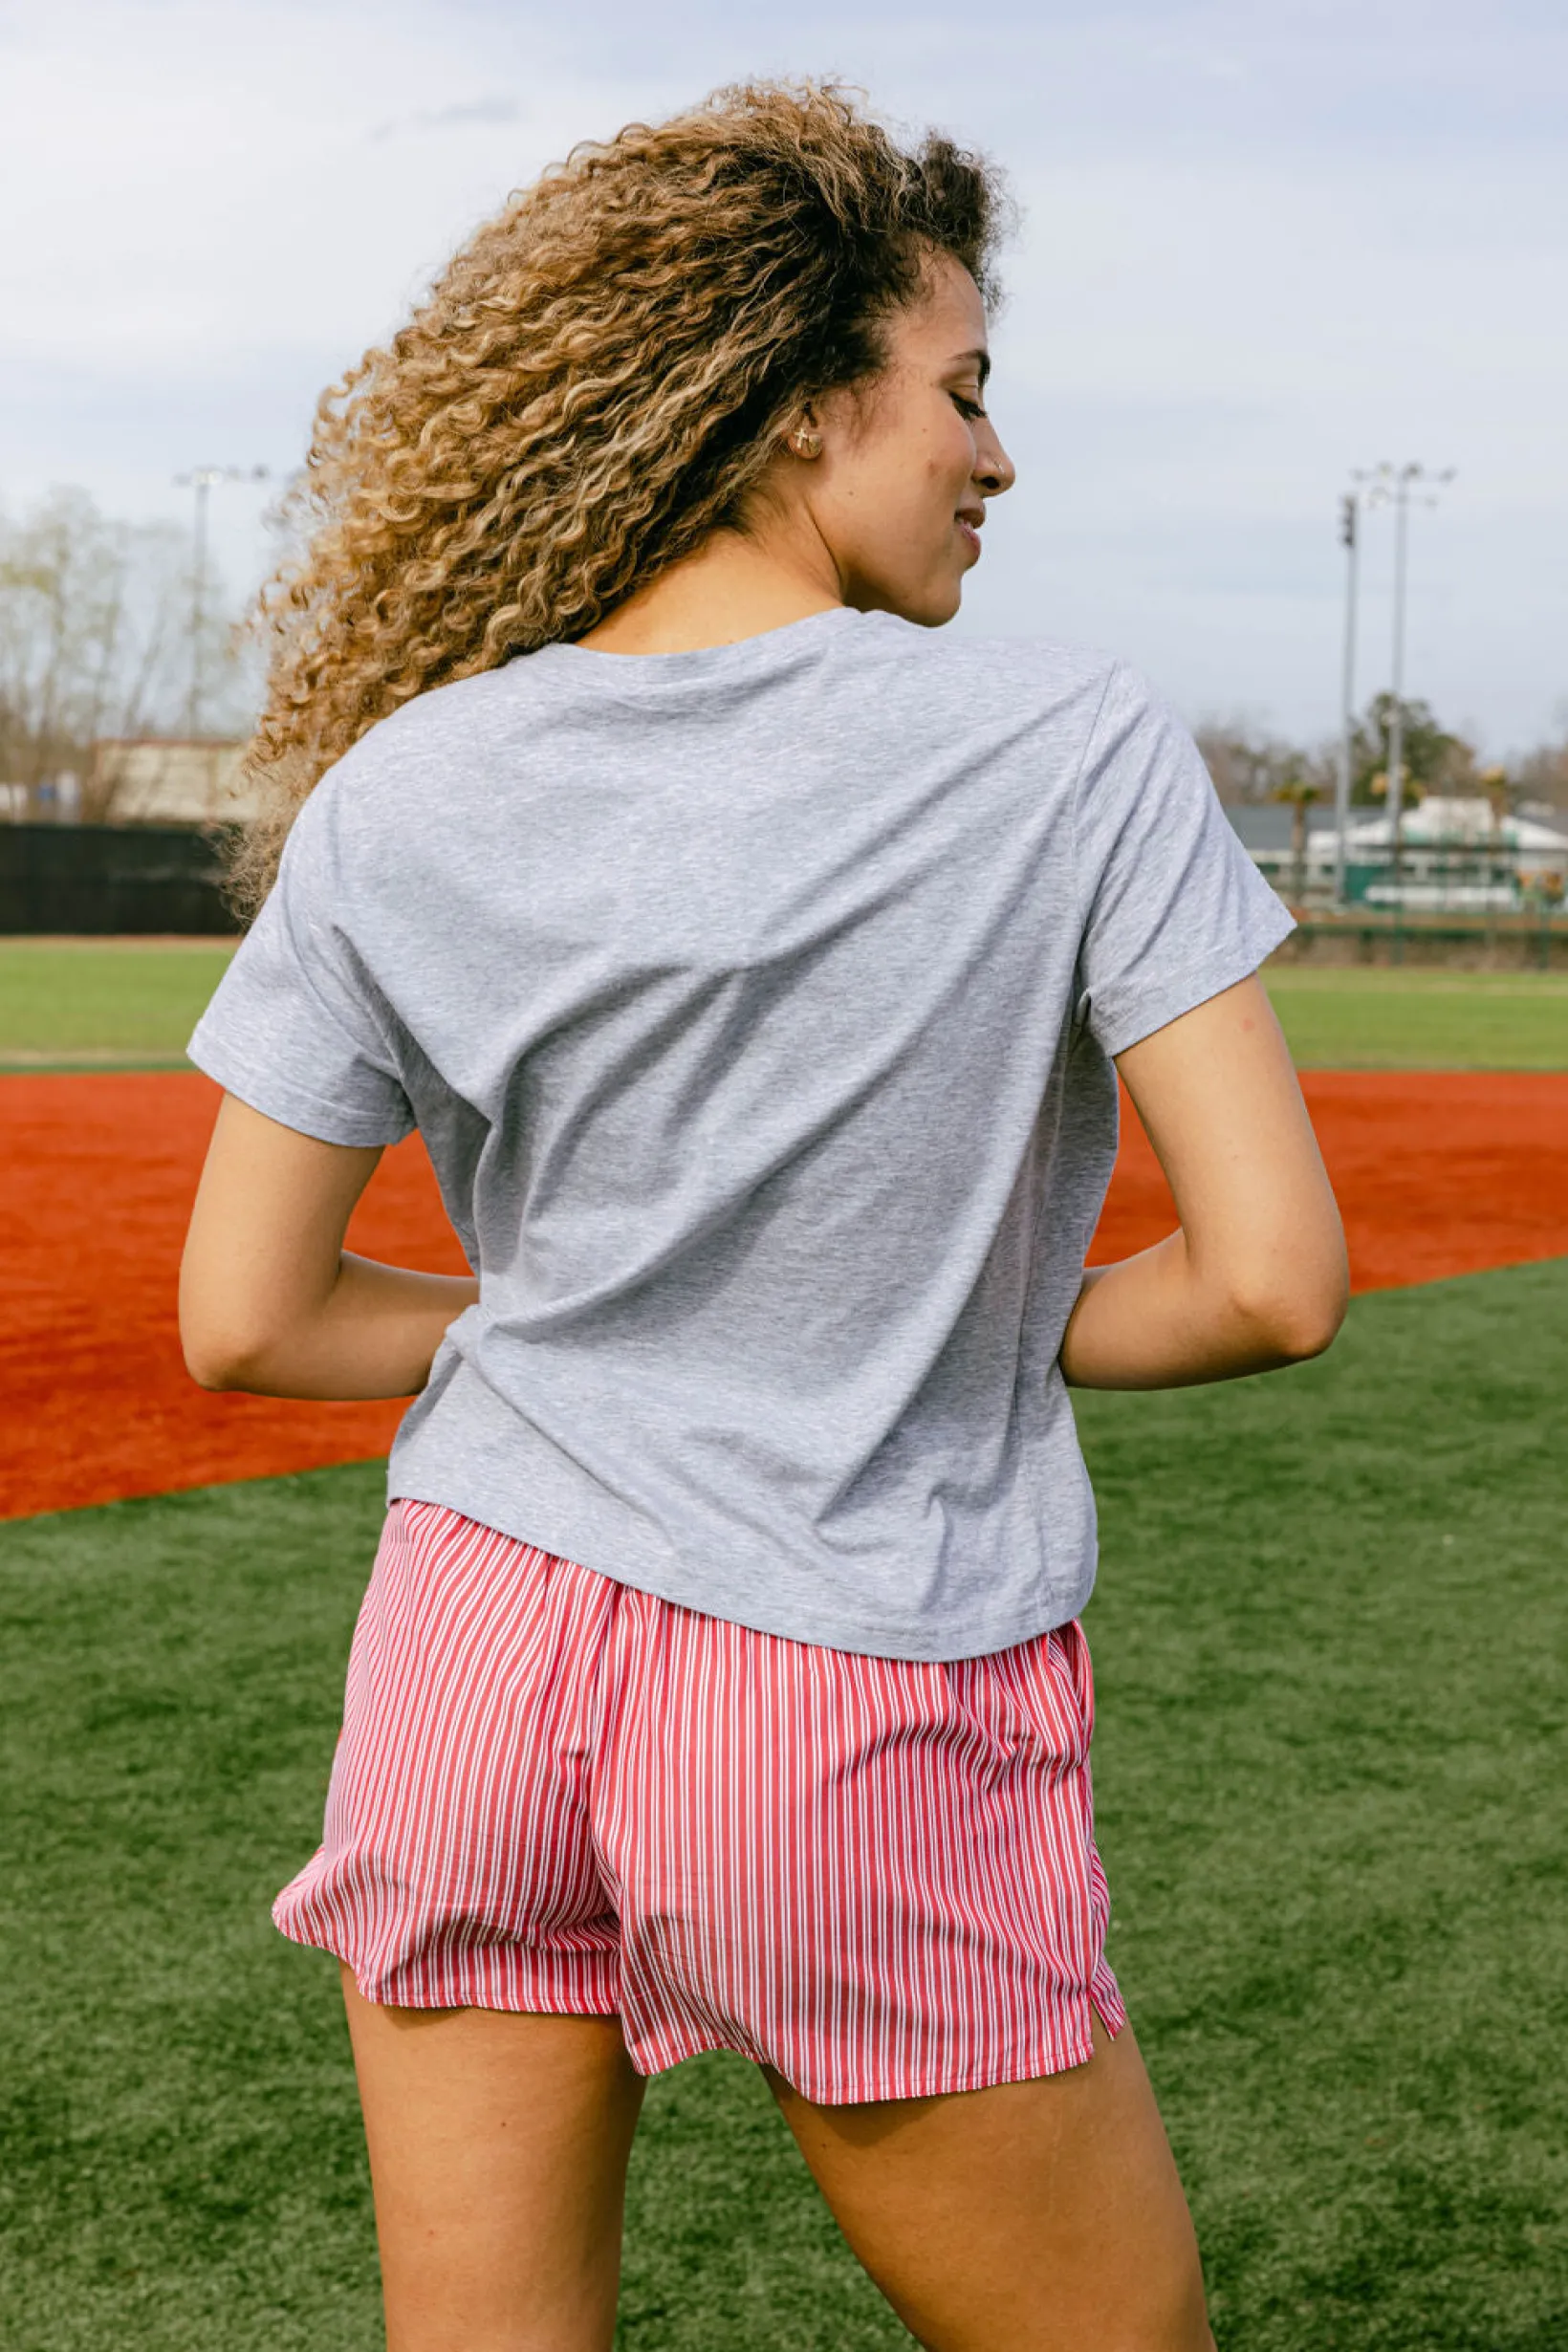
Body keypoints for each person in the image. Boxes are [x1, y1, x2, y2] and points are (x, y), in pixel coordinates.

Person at [180, 80, 1346, 2352]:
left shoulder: (400, 777)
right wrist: (951, 1325)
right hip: (846, 1663)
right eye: (963, 392)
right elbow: (1273, 1283)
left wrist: (594, 1327)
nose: (996, 458)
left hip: (468, 1654)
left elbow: (247, 1317)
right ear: (796, 401)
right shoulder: (1071, 747)